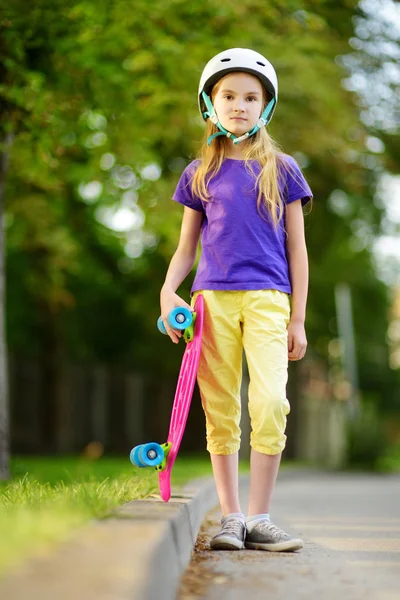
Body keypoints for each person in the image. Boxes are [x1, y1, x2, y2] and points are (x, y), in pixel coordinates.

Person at [160, 48, 312, 552]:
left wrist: (299, 320)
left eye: (251, 97)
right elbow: (186, 249)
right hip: (212, 301)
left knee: (270, 403)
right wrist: (167, 291)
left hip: (270, 299)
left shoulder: (282, 169)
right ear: (211, 104)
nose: (239, 105)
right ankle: (231, 518)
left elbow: (298, 250)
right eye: (229, 96)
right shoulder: (199, 173)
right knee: (220, 409)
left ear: (265, 107)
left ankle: (261, 518)